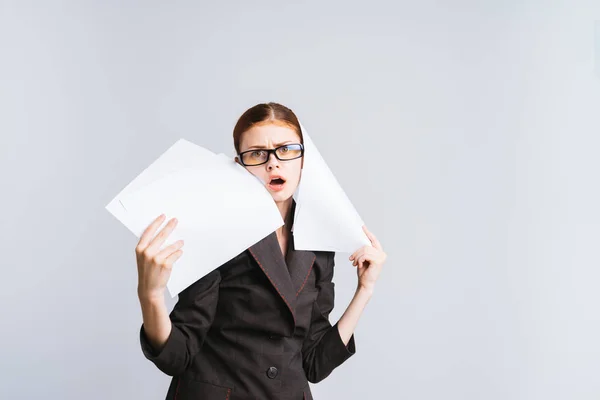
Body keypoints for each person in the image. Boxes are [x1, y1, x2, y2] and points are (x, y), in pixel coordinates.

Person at [135, 102, 387, 400]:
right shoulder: (216, 234)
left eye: (286, 149)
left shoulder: (319, 243)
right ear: (239, 165)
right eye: (257, 154)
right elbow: (177, 355)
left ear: (304, 160)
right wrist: (150, 295)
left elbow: (315, 363)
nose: (273, 163)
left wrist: (364, 290)